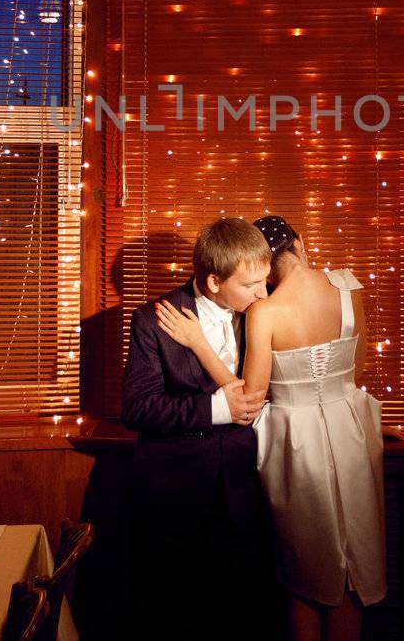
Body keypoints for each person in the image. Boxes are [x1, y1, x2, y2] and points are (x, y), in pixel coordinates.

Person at [155, 214, 387, 641]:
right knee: (352, 573)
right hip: (351, 429)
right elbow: (361, 366)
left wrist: (198, 343)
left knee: (305, 575)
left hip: (297, 440)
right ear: (300, 241)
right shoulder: (347, 285)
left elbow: (249, 399)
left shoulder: (266, 311)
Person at [120, 216, 283, 639]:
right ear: (214, 281)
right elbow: (138, 409)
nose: (263, 293)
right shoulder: (153, 320)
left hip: (248, 489)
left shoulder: (263, 313)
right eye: (251, 285)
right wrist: (216, 409)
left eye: (265, 281)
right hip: (177, 491)